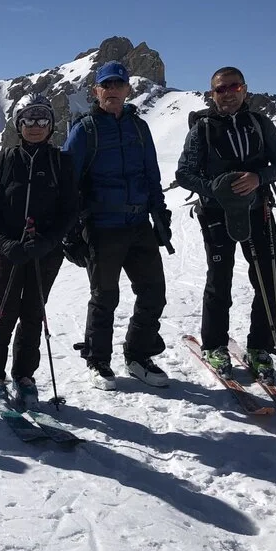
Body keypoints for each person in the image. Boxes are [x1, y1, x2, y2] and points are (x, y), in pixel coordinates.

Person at [175, 66, 276, 380]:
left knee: (269, 281)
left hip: (259, 209)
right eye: (220, 89)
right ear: (212, 94)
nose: (227, 94)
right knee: (220, 280)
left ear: (244, 89)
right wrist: (215, 188)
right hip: (216, 213)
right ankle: (214, 346)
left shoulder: (259, 123)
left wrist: (259, 177)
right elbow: (184, 173)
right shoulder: (203, 128)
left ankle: (260, 348)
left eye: (233, 87)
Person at [62, 61, 172, 390]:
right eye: (106, 86)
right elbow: (69, 183)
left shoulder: (139, 128)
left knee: (154, 293)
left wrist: (160, 215)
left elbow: (152, 175)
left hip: (138, 224)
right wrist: (71, 235)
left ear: (127, 89)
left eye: (118, 85)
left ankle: (138, 355)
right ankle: (98, 360)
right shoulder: (85, 129)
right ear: (96, 91)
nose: (112, 91)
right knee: (105, 297)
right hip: (102, 227)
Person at [0, 93, 77, 408]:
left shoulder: (61, 162)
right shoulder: (6, 160)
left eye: (42, 119)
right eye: (29, 119)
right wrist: (7, 244)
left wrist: (48, 242)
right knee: (4, 314)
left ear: (51, 125)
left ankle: (25, 376)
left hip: (46, 254)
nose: (36, 125)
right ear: (20, 125)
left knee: (33, 314)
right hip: (8, 252)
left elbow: (71, 209)